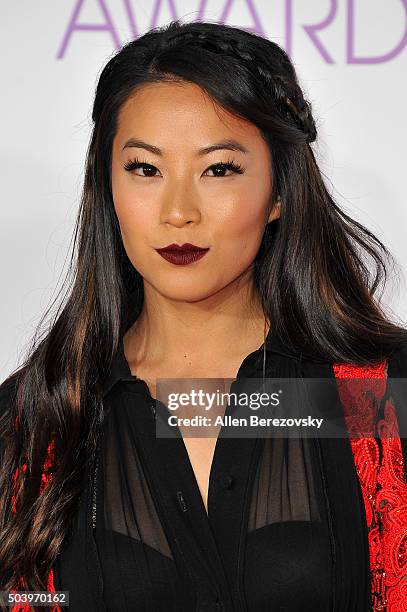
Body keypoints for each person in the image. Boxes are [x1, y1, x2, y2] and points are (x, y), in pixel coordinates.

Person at [1, 18, 407, 612]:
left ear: (279, 194)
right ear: (106, 187)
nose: (178, 212)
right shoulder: (34, 419)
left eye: (219, 169)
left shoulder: (381, 395)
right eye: (145, 169)